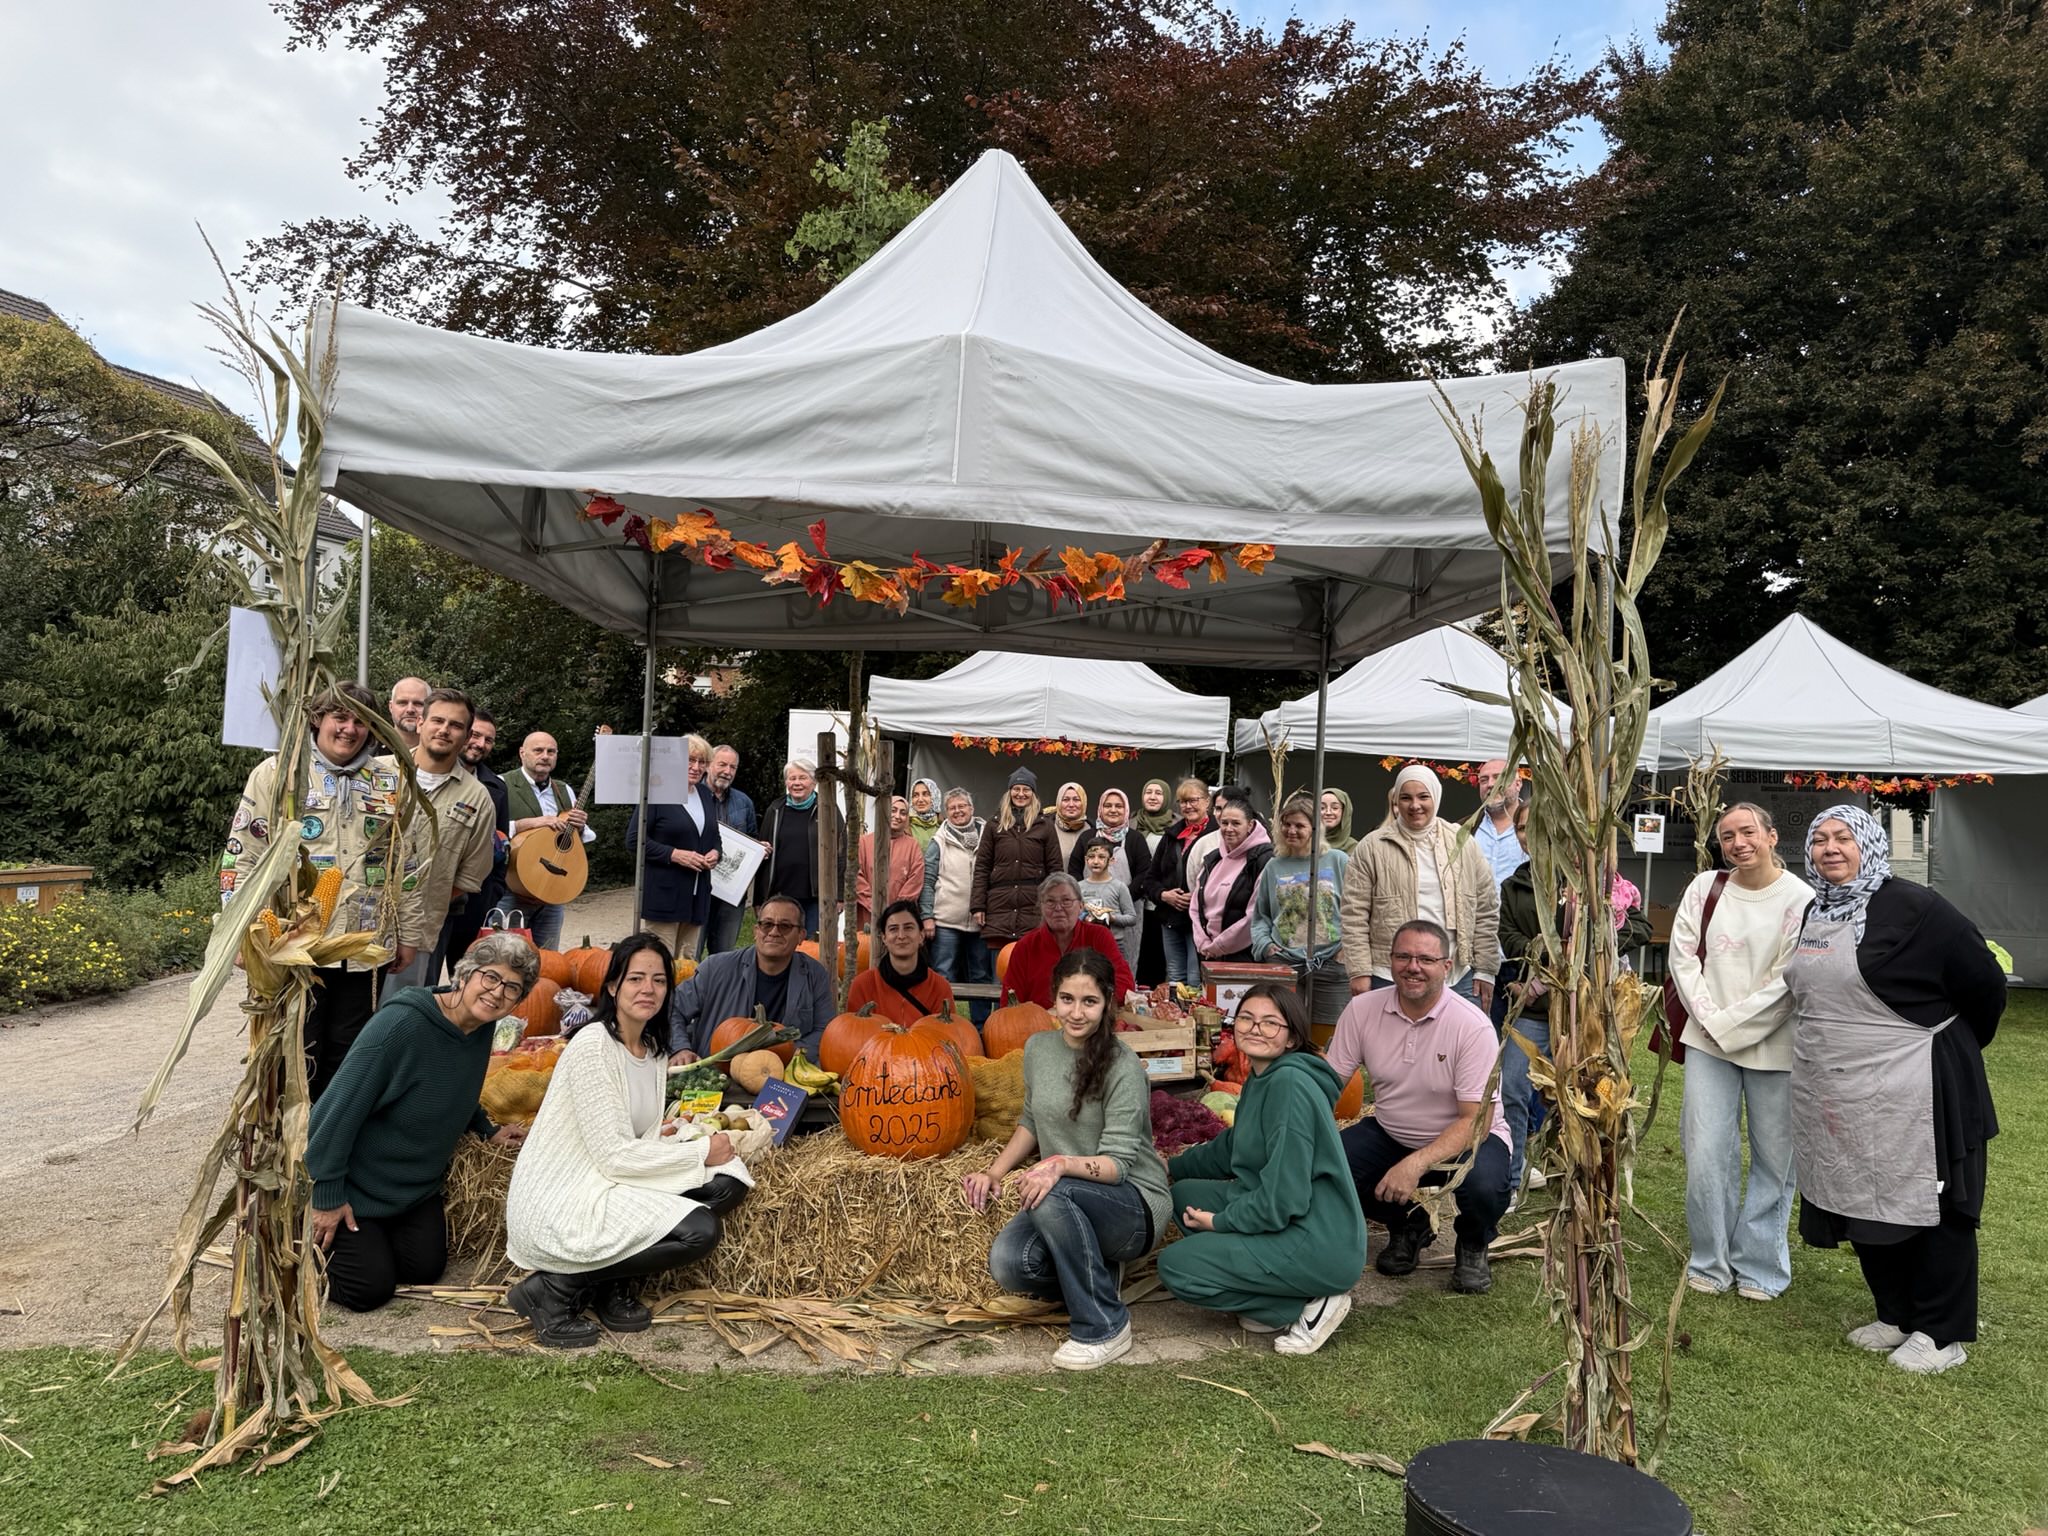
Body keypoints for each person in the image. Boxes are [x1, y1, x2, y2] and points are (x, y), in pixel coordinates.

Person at [1785, 805, 2006, 1374]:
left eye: (1843, 838)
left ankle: (1941, 1333)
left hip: (1915, 1084)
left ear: (1869, 844)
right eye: (1819, 840)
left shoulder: (1917, 907)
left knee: (1930, 1204)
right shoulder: (1817, 908)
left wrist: (1946, 1043)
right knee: (1855, 1194)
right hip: (1838, 1086)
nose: (1830, 849)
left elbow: (1982, 981)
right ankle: (1896, 1314)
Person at [505, 934, 754, 1347]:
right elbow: (614, 1156)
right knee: (700, 1230)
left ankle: (610, 1283)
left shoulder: (653, 1050)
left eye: (658, 980)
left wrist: (678, 1142)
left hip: (613, 1179)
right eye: (636, 978)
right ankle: (554, 1288)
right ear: (612, 987)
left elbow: (637, 1136)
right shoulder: (593, 1046)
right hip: (570, 1193)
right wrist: (700, 1151)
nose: (648, 989)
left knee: (726, 1184)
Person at [222, 681, 432, 1101]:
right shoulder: (279, 774)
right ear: (317, 719)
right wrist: (241, 934)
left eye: (360, 721)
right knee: (297, 1046)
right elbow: (243, 856)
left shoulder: (391, 780)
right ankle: (291, 1131)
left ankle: (333, 1128)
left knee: (350, 1050)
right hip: (295, 942)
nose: (349, 729)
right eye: (340, 717)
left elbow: (407, 864)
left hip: (363, 943)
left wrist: (409, 934)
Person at [965, 948, 1170, 1370]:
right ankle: (1099, 1274)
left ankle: (1104, 1326)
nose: (1076, 1013)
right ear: (1053, 998)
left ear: (1107, 1002)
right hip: (1069, 1199)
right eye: (1067, 999)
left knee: (1053, 1188)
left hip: (1132, 1206)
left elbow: (1118, 1166)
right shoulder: (1038, 1048)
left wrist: (1059, 1164)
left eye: (1089, 1001)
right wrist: (993, 1172)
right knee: (1011, 1265)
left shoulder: (1123, 1066)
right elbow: (1031, 1120)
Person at [306, 933, 534, 1311]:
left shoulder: (480, 1027)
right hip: (358, 1185)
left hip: (413, 1189)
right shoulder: (400, 1025)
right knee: (368, 1290)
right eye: (491, 977)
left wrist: (486, 1130)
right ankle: (297, 1235)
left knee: (424, 1268)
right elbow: (335, 1110)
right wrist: (326, 1194)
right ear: (465, 974)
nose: (497, 993)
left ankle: (374, 1241)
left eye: (512, 988)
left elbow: (456, 1086)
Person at [1157, 985, 1367, 1353]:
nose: (1256, 1029)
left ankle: (1311, 1302)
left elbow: (1284, 1198)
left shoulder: (1290, 1086)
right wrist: (1171, 1166)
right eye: (1247, 1018)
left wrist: (1220, 1222)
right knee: (1185, 1195)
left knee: (1177, 1267)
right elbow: (1234, 1146)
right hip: (1292, 1217)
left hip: (1317, 1237)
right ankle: (1275, 1301)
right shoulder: (1263, 1076)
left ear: (1291, 1038)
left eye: (1271, 1023)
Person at [1666, 803, 1812, 1300]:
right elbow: (1683, 958)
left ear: (1771, 836)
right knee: (1706, 1153)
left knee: (1775, 1160)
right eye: (1727, 836)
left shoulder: (1800, 898)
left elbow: (1788, 981)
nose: (1737, 843)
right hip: (1708, 1042)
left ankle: (1761, 1265)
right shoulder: (1705, 887)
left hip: (1776, 1045)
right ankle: (1710, 1260)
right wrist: (1710, 1019)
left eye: (1747, 832)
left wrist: (1725, 1025)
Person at [1331, 919, 1511, 1294]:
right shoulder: (1362, 1010)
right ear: (1390, 960)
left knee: (1485, 1186)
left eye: (1426, 959)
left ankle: (1473, 1243)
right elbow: (1328, 1083)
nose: (1413, 967)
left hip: (1468, 1139)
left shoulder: (1472, 1026)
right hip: (1392, 1130)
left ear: (1447, 967)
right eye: (1404, 957)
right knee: (1330, 1167)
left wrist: (1413, 1165)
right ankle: (1408, 1224)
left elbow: (1476, 1121)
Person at [1497, 803, 1652, 1192]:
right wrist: (1554, 951)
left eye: (1540, 826)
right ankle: (1513, 1178)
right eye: (1522, 828)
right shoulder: (1515, 886)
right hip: (1535, 1009)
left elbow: (1641, 926)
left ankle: (1583, 1179)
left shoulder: (1597, 880)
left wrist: (1594, 946)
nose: (1530, 835)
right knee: (1514, 1088)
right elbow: (1508, 936)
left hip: (1587, 1013)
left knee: (1588, 1093)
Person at [1340, 765, 1499, 1012]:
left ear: (1436, 796)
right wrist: (1359, 971)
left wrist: (1486, 969)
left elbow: (1486, 910)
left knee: (1459, 1035)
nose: (1415, 805)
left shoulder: (1463, 842)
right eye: (1406, 798)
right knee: (1393, 1036)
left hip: (1456, 974)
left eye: (1423, 797)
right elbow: (1353, 914)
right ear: (1396, 801)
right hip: (1389, 974)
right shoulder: (1372, 847)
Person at [389, 688, 497, 989]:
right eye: (438, 720)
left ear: (466, 736)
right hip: (358, 930)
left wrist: (417, 903)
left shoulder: (477, 799)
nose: (445, 730)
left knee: (402, 1013)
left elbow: (469, 876)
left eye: (456, 725)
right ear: (420, 723)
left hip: (417, 937)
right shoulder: (380, 773)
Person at [669, 894, 836, 1060]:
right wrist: (681, 1049)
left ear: (801, 935)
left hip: (782, 1071)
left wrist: (789, 1055)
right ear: (756, 931)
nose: (774, 932)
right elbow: (671, 1008)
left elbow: (824, 1030)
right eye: (767, 924)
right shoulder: (715, 968)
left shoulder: (814, 975)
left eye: (785, 926)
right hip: (715, 1069)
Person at [1252, 794, 1351, 1029]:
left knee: (1328, 1035)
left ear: (1316, 828)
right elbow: (1261, 915)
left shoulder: (1338, 861)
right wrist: (1265, 946)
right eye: (1286, 824)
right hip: (1284, 961)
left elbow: (1357, 908)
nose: (1291, 831)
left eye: (1299, 825)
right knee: (1281, 1029)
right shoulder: (1274, 866)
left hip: (1331, 963)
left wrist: (1346, 948)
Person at [625, 734, 721, 958]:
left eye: (702, 762)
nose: (696, 767)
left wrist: (716, 852)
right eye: (690, 760)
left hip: (697, 897)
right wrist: (674, 854)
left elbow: (714, 835)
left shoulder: (705, 794)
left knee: (687, 963)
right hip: (665, 896)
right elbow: (634, 839)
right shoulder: (656, 793)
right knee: (661, 962)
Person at [505, 730, 595, 953]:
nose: (545, 756)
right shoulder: (502, 784)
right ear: (522, 753)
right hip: (513, 888)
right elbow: (489, 830)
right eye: (538, 750)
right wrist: (530, 823)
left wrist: (580, 825)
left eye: (551, 751)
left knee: (548, 957)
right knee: (507, 957)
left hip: (553, 891)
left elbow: (575, 838)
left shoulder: (564, 790)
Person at [971, 767, 1062, 978]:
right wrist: (978, 906)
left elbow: (1055, 870)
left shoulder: (1045, 826)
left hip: (1033, 910)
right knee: (1000, 978)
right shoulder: (994, 825)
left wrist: (1055, 906)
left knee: (1033, 976)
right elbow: (982, 866)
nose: (1021, 794)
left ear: (1033, 793)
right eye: (1016, 789)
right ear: (1009, 792)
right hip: (999, 910)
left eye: (1026, 789)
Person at [442, 707, 513, 971]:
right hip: (431, 900)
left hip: (474, 903)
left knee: (466, 978)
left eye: (489, 740)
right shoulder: (431, 774)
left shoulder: (496, 787)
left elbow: (503, 846)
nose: (480, 744)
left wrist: (493, 894)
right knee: (422, 981)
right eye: (475, 735)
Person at [1002, 874, 1136, 1008]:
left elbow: (1124, 983)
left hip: (1090, 1016)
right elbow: (1009, 1000)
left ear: (1081, 906)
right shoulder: (1026, 945)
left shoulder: (1099, 936)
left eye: (1066, 900)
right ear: (1041, 907)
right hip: (1039, 1019)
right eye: (1050, 901)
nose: (1058, 908)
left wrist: (1089, 1003)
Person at [755, 758, 839, 939]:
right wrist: (759, 899)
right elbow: (762, 856)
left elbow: (840, 852)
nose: (797, 783)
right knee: (779, 943)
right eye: (792, 778)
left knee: (811, 946)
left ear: (814, 782)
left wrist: (839, 896)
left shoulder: (827, 809)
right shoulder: (775, 810)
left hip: (816, 897)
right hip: (780, 894)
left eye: (803, 778)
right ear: (786, 782)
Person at [1144, 778, 1215, 985]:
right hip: (1171, 917)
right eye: (1183, 802)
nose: (1188, 806)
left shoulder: (1218, 834)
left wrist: (1197, 897)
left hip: (1201, 921)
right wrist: (1164, 895)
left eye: (1193, 800)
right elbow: (1151, 878)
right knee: (1175, 977)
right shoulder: (1171, 835)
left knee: (1195, 978)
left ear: (1207, 801)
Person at [1190, 796, 1274, 966]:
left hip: (1245, 957)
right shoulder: (1212, 859)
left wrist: (1219, 946)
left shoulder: (1264, 861)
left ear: (1250, 825)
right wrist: (1203, 942)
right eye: (1224, 823)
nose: (1229, 829)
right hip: (1207, 954)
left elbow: (1255, 915)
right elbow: (1195, 906)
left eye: (1236, 823)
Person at [847, 899, 958, 1027]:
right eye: (893, 929)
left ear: (921, 935)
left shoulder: (939, 987)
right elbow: (855, 1033)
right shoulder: (863, 986)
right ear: (884, 938)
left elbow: (946, 1034)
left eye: (908, 928)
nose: (901, 935)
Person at [923, 788, 990, 989]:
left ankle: (980, 1012)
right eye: (952, 808)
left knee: (981, 976)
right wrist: (927, 916)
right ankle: (941, 1011)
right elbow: (927, 881)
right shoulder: (939, 841)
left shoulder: (988, 835)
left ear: (972, 809)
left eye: (962, 806)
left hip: (981, 921)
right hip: (946, 922)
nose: (957, 811)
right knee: (943, 975)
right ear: (946, 812)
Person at [702, 744, 757, 957]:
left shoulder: (744, 802)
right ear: (709, 765)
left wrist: (760, 848)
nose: (727, 771)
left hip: (732, 894)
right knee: (690, 953)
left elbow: (752, 838)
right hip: (699, 888)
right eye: (722, 765)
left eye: (732, 767)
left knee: (725, 955)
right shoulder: (692, 796)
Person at [856, 794, 925, 930]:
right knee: (866, 942)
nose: (897, 816)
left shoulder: (912, 846)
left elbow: (916, 879)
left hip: (900, 916)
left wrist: (895, 909)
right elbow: (855, 875)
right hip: (867, 912)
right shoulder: (864, 842)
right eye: (893, 810)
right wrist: (873, 904)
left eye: (903, 813)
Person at [1131, 779, 1176, 984]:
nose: (1152, 797)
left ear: (1166, 797)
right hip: (1135, 899)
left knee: (1159, 954)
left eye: (1158, 793)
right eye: (1148, 792)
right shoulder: (1132, 822)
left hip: (1163, 900)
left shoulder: (1176, 825)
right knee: (1137, 953)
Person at [1076, 835, 1140, 974]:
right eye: (1091, 857)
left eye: (1101, 857)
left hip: (1114, 943)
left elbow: (1132, 918)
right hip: (1085, 943)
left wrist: (1112, 918)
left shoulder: (1119, 887)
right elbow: (1074, 917)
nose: (1096, 861)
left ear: (1111, 860)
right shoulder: (1079, 887)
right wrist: (1083, 916)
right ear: (1086, 860)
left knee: (1113, 978)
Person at [1472, 761, 1527, 890]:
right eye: (1484, 780)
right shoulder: (1464, 829)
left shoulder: (1538, 828)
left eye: (1499, 777)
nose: (1490, 784)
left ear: (1518, 784)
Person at [1050, 782, 1093, 874]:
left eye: (1076, 799)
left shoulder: (1093, 830)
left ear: (1083, 802)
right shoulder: (1048, 829)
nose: (1071, 804)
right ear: (1058, 802)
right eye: (1065, 800)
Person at [386, 675, 430, 753]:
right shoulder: (371, 752)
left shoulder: (442, 752)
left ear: (430, 708)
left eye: (418, 704)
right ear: (391, 707)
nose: (410, 710)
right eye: (402, 703)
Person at [907, 777, 944, 849]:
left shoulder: (944, 827)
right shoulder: (903, 826)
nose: (920, 799)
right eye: (915, 795)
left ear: (934, 797)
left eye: (925, 794)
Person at [1320, 789, 1357, 854]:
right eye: (1322, 808)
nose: (1328, 812)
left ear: (1344, 812)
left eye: (1335, 808)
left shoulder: (1355, 848)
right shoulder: (1306, 844)